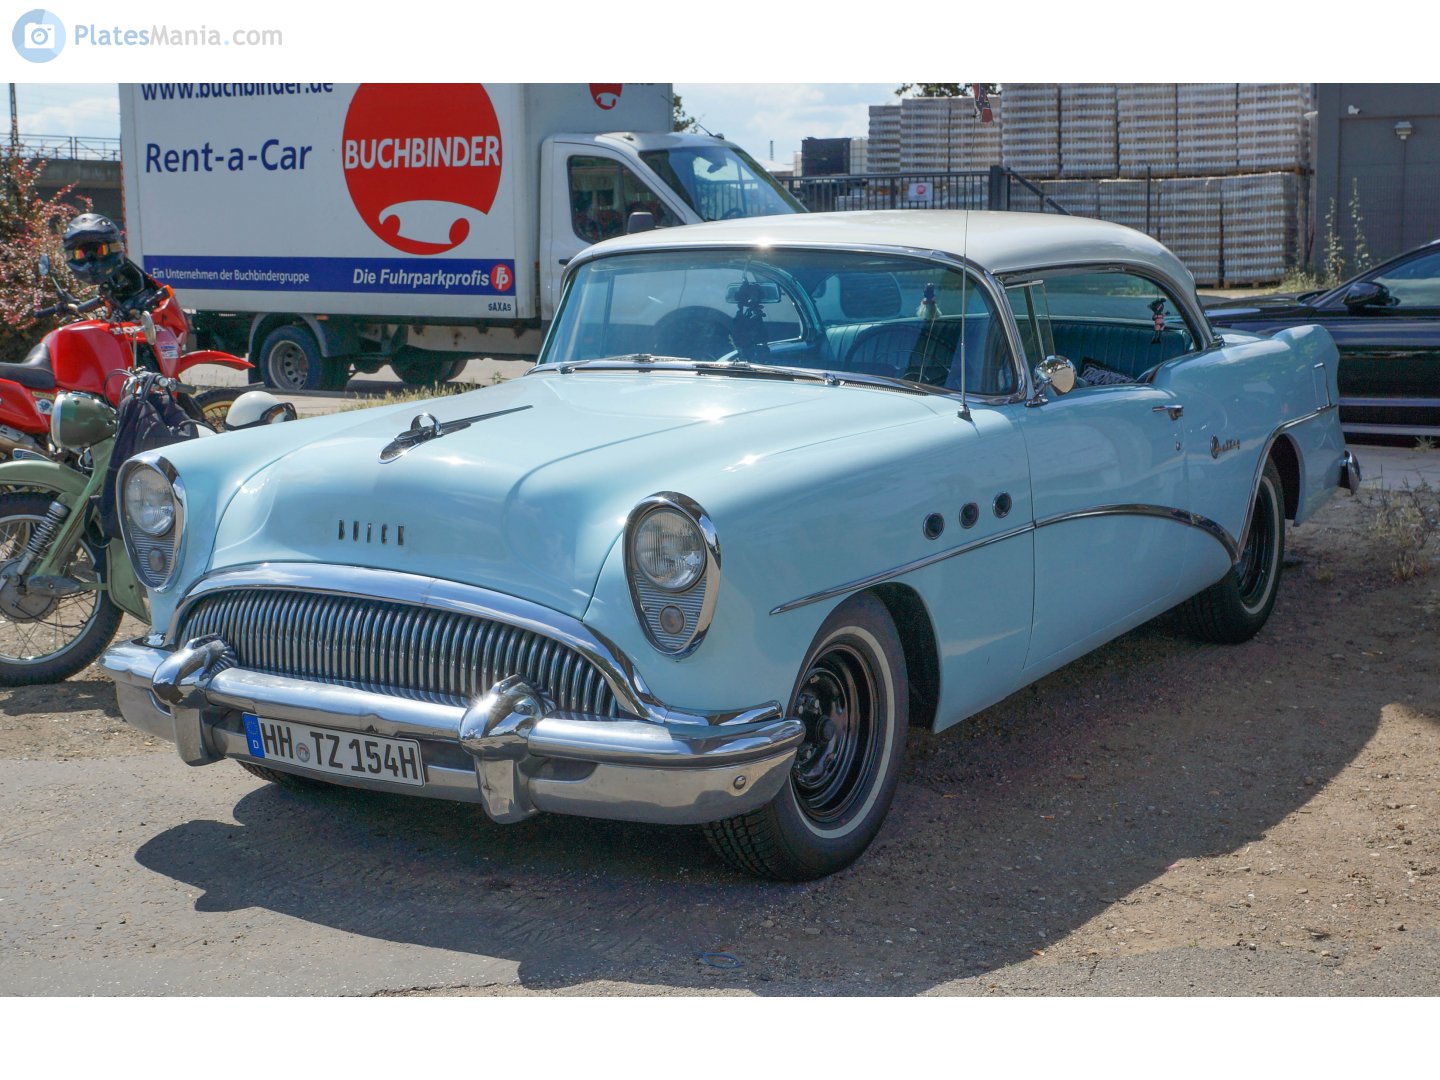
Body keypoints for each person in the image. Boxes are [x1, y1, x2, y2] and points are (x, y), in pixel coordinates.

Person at [61, 213, 188, 338]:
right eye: (80, 254)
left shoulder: (128, 277)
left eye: (100, 251)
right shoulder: (111, 279)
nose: (91, 259)